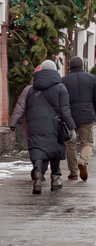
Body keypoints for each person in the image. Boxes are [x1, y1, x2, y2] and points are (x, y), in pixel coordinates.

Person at [9, 60, 75, 194]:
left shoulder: (30, 89)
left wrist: (12, 123)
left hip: (34, 126)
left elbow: (20, 107)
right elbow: (65, 111)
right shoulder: (61, 88)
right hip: (54, 126)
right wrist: (72, 128)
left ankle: (38, 175)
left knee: (38, 149)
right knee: (55, 150)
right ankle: (56, 180)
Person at [62, 57, 96, 182]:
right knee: (87, 142)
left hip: (69, 117)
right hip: (86, 116)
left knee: (70, 144)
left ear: (69, 66)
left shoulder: (64, 80)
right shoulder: (92, 79)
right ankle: (83, 161)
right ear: (82, 66)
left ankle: (73, 172)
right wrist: (94, 113)